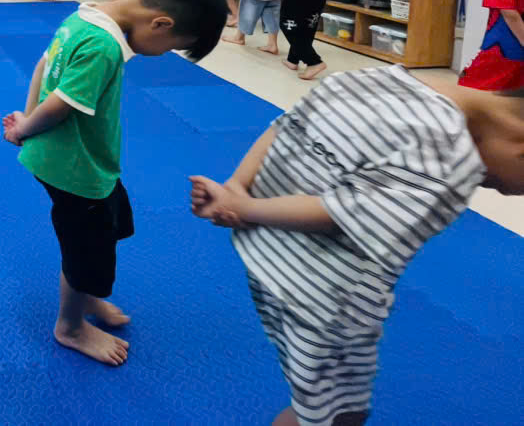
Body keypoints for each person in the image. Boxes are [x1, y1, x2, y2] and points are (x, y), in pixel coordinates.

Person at [189, 70, 524, 426]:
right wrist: (242, 209)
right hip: (324, 297)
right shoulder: (450, 156)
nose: (500, 188)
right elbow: (337, 213)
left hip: (265, 261)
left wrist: (236, 187)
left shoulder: (372, 77)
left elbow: (285, 127)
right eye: (508, 186)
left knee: (315, 396)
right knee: (336, 411)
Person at [2, 0, 228, 367]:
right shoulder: (104, 45)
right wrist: (26, 127)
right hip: (74, 168)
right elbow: (62, 105)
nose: (162, 54)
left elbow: (42, 65)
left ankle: (87, 297)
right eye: (172, 47)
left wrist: (27, 118)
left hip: (82, 160)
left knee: (113, 222)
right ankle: (70, 326)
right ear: (161, 24)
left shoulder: (82, 17)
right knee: (86, 250)